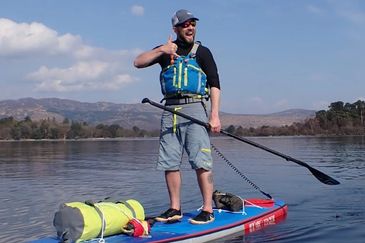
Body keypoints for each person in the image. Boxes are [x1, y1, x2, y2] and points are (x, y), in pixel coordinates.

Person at [134, 9, 221, 224]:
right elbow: (138, 62)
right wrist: (162, 49)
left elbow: (215, 84)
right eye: (185, 24)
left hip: (195, 108)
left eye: (192, 24)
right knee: (169, 162)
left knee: (201, 161)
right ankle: (175, 208)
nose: (190, 27)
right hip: (170, 110)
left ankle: (207, 209)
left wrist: (215, 115)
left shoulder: (203, 52)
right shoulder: (165, 51)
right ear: (175, 29)